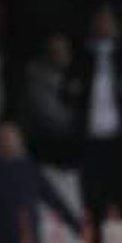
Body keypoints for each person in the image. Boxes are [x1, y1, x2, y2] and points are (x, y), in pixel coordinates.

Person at [66, 4, 122, 243]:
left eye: (107, 21)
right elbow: (67, 91)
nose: (103, 26)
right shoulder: (81, 58)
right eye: (99, 21)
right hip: (91, 143)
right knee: (94, 204)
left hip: (120, 143)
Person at [20, 33, 78, 168]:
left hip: (69, 139)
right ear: (47, 54)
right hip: (47, 140)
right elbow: (50, 115)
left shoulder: (73, 73)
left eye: (65, 51)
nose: (63, 55)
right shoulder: (37, 76)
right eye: (57, 52)